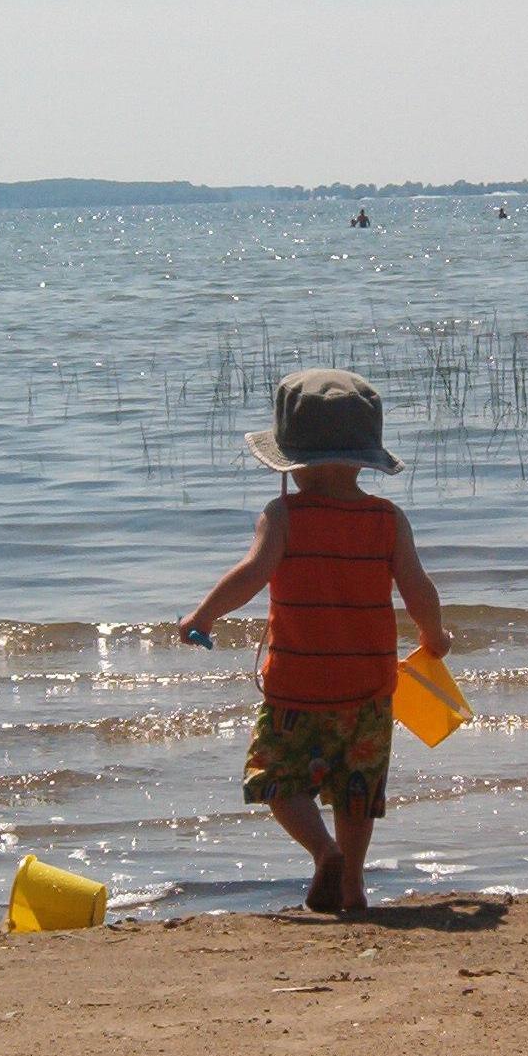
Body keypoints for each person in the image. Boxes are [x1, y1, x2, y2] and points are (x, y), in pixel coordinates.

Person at [178, 368, 450, 914]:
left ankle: (322, 852)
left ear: (291, 461)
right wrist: (433, 635)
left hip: (295, 686)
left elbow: (251, 574)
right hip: (369, 687)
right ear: (363, 458)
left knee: (276, 778)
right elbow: (418, 587)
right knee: (357, 790)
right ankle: (352, 885)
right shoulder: (386, 520)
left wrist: (203, 614)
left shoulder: (283, 515)